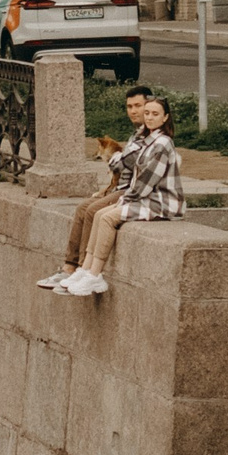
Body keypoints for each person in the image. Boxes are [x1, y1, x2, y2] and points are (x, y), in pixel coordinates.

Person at [46, 88, 183, 298]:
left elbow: (145, 182)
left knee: (107, 217)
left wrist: (124, 201)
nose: (149, 117)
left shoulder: (162, 143)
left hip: (160, 202)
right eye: (147, 113)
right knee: (100, 214)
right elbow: (124, 163)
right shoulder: (147, 139)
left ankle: (94, 274)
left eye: (155, 114)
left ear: (165, 118)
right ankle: (85, 270)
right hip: (145, 197)